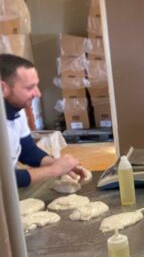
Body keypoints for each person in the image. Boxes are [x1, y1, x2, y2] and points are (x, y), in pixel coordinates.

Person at [1, 54, 86, 187]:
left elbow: (27, 151)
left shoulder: (16, 112)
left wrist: (57, 163)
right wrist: (54, 170)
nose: (38, 93)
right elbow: (4, 179)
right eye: (29, 88)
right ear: (2, 88)